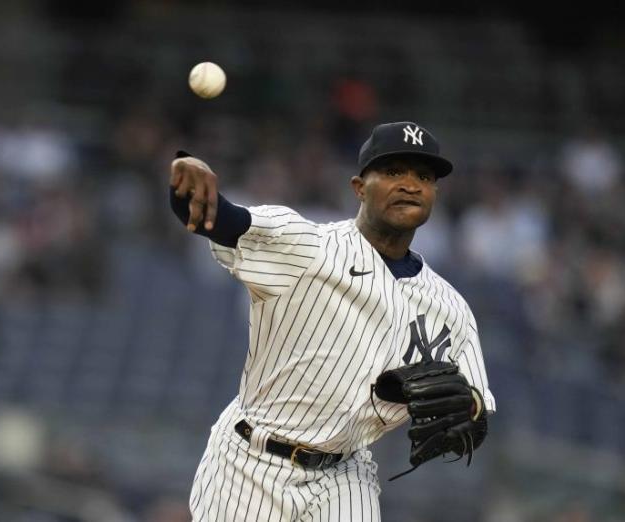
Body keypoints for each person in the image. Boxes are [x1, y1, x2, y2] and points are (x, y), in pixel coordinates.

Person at [168, 121, 495, 521]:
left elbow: (476, 410)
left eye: (424, 177)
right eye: (393, 172)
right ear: (359, 187)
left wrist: (470, 408)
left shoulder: (451, 308)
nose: (410, 185)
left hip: (345, 474)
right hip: (251, 463)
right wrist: (188, 178)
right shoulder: (308, 247)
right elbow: (215, 218)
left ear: (435, 194)